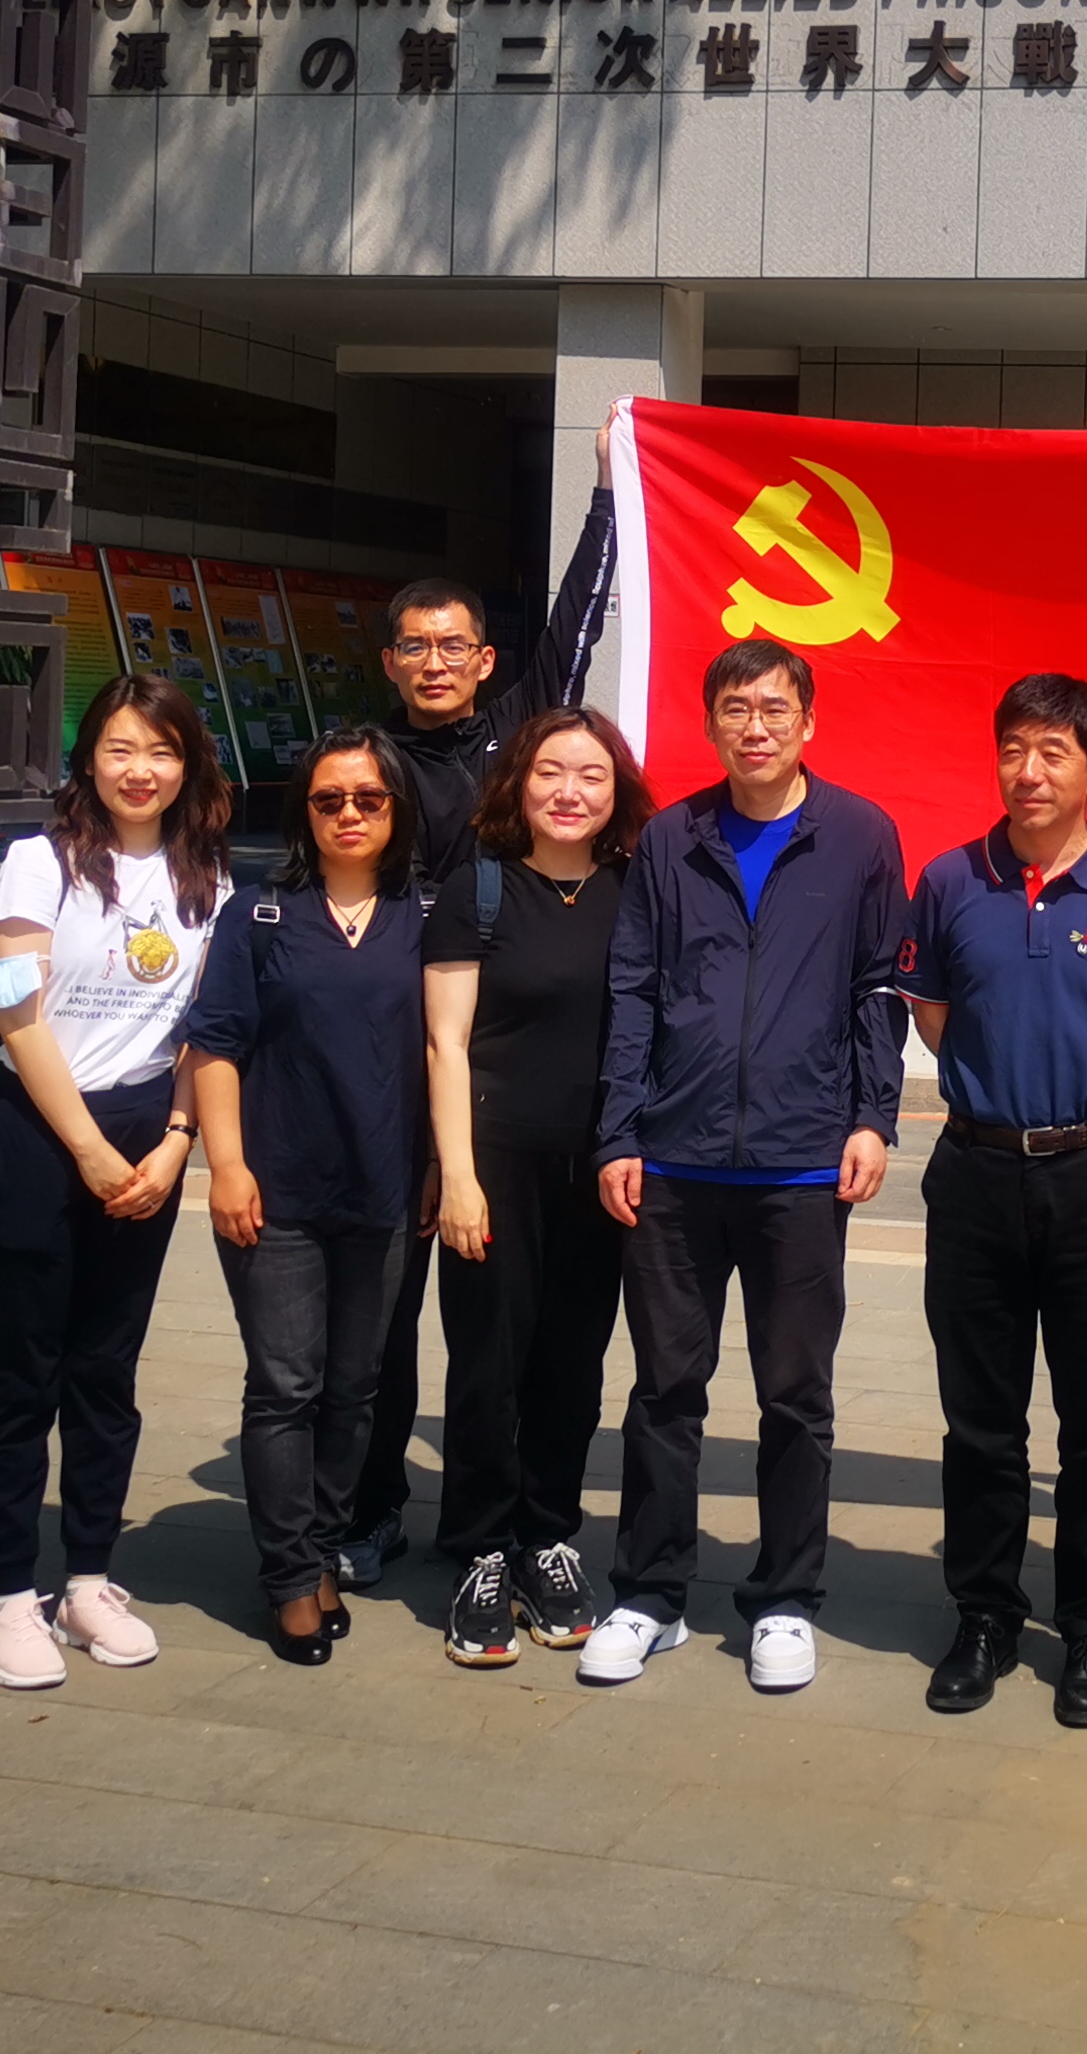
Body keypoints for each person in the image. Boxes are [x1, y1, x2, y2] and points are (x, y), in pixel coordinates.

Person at [585, 642, 908, 1695]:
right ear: (711, 724)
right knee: (664, 1390)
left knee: (795, 1395)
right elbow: (633, 988)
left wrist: (873, 1118)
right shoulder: (671, 837)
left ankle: (784, 1600)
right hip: (675, 1163)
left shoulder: (859, 834)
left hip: (800, 1166)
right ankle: (650, 1594)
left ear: (808, 722)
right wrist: (618, 1133)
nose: (755, 727)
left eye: (774, 709)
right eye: (736, 709)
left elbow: (877, 986)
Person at [340, 432, 620, 1592]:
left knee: (514, 1325)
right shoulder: (364, 767)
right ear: (391, 661)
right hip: (399, 1058)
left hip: (502, 1071)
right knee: (385, 1307)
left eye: (454, 644)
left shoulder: (521, 730)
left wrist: (611, 490)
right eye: (416, 646)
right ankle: (369, 1509)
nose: (435, 662)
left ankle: (520, 1522)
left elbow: (579, 621)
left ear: (484, 657)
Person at [899, 674, 1087, 1728]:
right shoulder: (948, 880)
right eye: (1014, 749)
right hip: (976, 1171)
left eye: (1054, 752)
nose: (1029, 771)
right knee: (980, 1418)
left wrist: (1080, 1113)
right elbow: (933, 1014)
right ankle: (984, 1614)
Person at [0, 678, 234, 1690]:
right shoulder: (39, 864)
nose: (139, 770)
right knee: (22, 1371)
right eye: (120, 749)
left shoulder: (206, 876)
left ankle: (87, 1580)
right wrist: (83, 1147)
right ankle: (7, 1597)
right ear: (88, 759)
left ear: (187, 766)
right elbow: (16, 1014)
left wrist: (176, 1142)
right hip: (40, 1131)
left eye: (161, 751)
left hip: (145, 1131)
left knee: (106, 1373)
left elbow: (205, 1030)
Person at [185, 724, 431, 1667]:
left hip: (384, 1192)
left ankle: (324, 1549)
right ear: (305, 812)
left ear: (397, 808)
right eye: (330, 800)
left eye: (369, 798)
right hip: (277, 1191)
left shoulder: (427, 914)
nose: (349, 815)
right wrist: (227, 1166)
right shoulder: (258, 915)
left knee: (355, 1390)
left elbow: (446, 1052)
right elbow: (216, 1045)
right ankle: (290, 1576)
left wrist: (439, 1168)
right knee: (284, 1387)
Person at [422, 703, 651, 1669]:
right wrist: (459, 1177)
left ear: (617, 791)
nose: (569, 792)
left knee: (573, 1363)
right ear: (518, 783)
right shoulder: (477, 888)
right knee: (488, 1363)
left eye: (592, 775)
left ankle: (546, 1535)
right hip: (497, 1165)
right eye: (550, 772)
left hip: (600, 1170)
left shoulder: (636, 889)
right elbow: (445, 1042)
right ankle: (480, 1548)